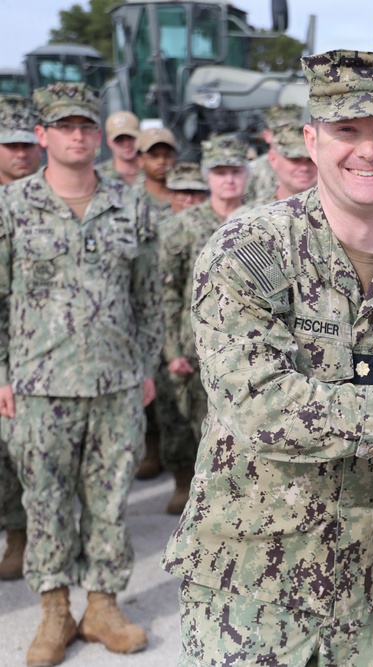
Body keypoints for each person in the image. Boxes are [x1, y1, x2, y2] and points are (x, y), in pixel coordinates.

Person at [160, 50, 373, 666]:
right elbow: (264, 407)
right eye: (347, 130)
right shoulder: (249, 252)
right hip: (249, 586)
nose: (368, 150)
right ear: (311, 141)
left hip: (372, 593)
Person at [0, 82, 163, 666]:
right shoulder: (12, 207)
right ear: (41, 135)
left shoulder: (132, 203)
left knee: (111, 500)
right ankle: (53, 613)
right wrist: (1, 375)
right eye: (64, 126)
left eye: (86, 126)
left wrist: (146, 366)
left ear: (98, 134)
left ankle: (102, 606)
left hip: (117, 385)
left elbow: (149, 297)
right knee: (44, 503)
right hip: (40, 386)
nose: (77, 135)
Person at [157, 134, 249, 515]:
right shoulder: (183, 226)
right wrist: (171, 351)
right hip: (194, 347)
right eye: (220, 172)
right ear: (208, 177)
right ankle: (191, 488)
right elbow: (166, 291)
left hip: (248, 346)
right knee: (191, 424)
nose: (228, 180)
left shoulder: (266, 218)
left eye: (235, 171)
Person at [0, 93, 42, 583]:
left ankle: (22, 536)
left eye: (25, 143)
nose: (20, 153)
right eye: (9, 144)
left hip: (33, 353)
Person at [133, 126, 179, 481]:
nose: (161, 162)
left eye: (166, 154)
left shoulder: (185, 196)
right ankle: (151, 445)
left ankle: (175, 453)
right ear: (141, 158)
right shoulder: (132, 200)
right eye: (154, 155)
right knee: (149, 376)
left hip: (176, 299)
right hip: (146, 299)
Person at [244, 103, 304, 203]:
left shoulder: (313, 165)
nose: (285, 135)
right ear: (266, 135)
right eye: (279, 130)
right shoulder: (254, 169)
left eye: (291, 129)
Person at [96, 111, 141, 186]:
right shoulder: (98, 176)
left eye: (130, 137)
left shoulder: (152, 171)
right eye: (119, 139)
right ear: (109, 142)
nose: (126, 144)